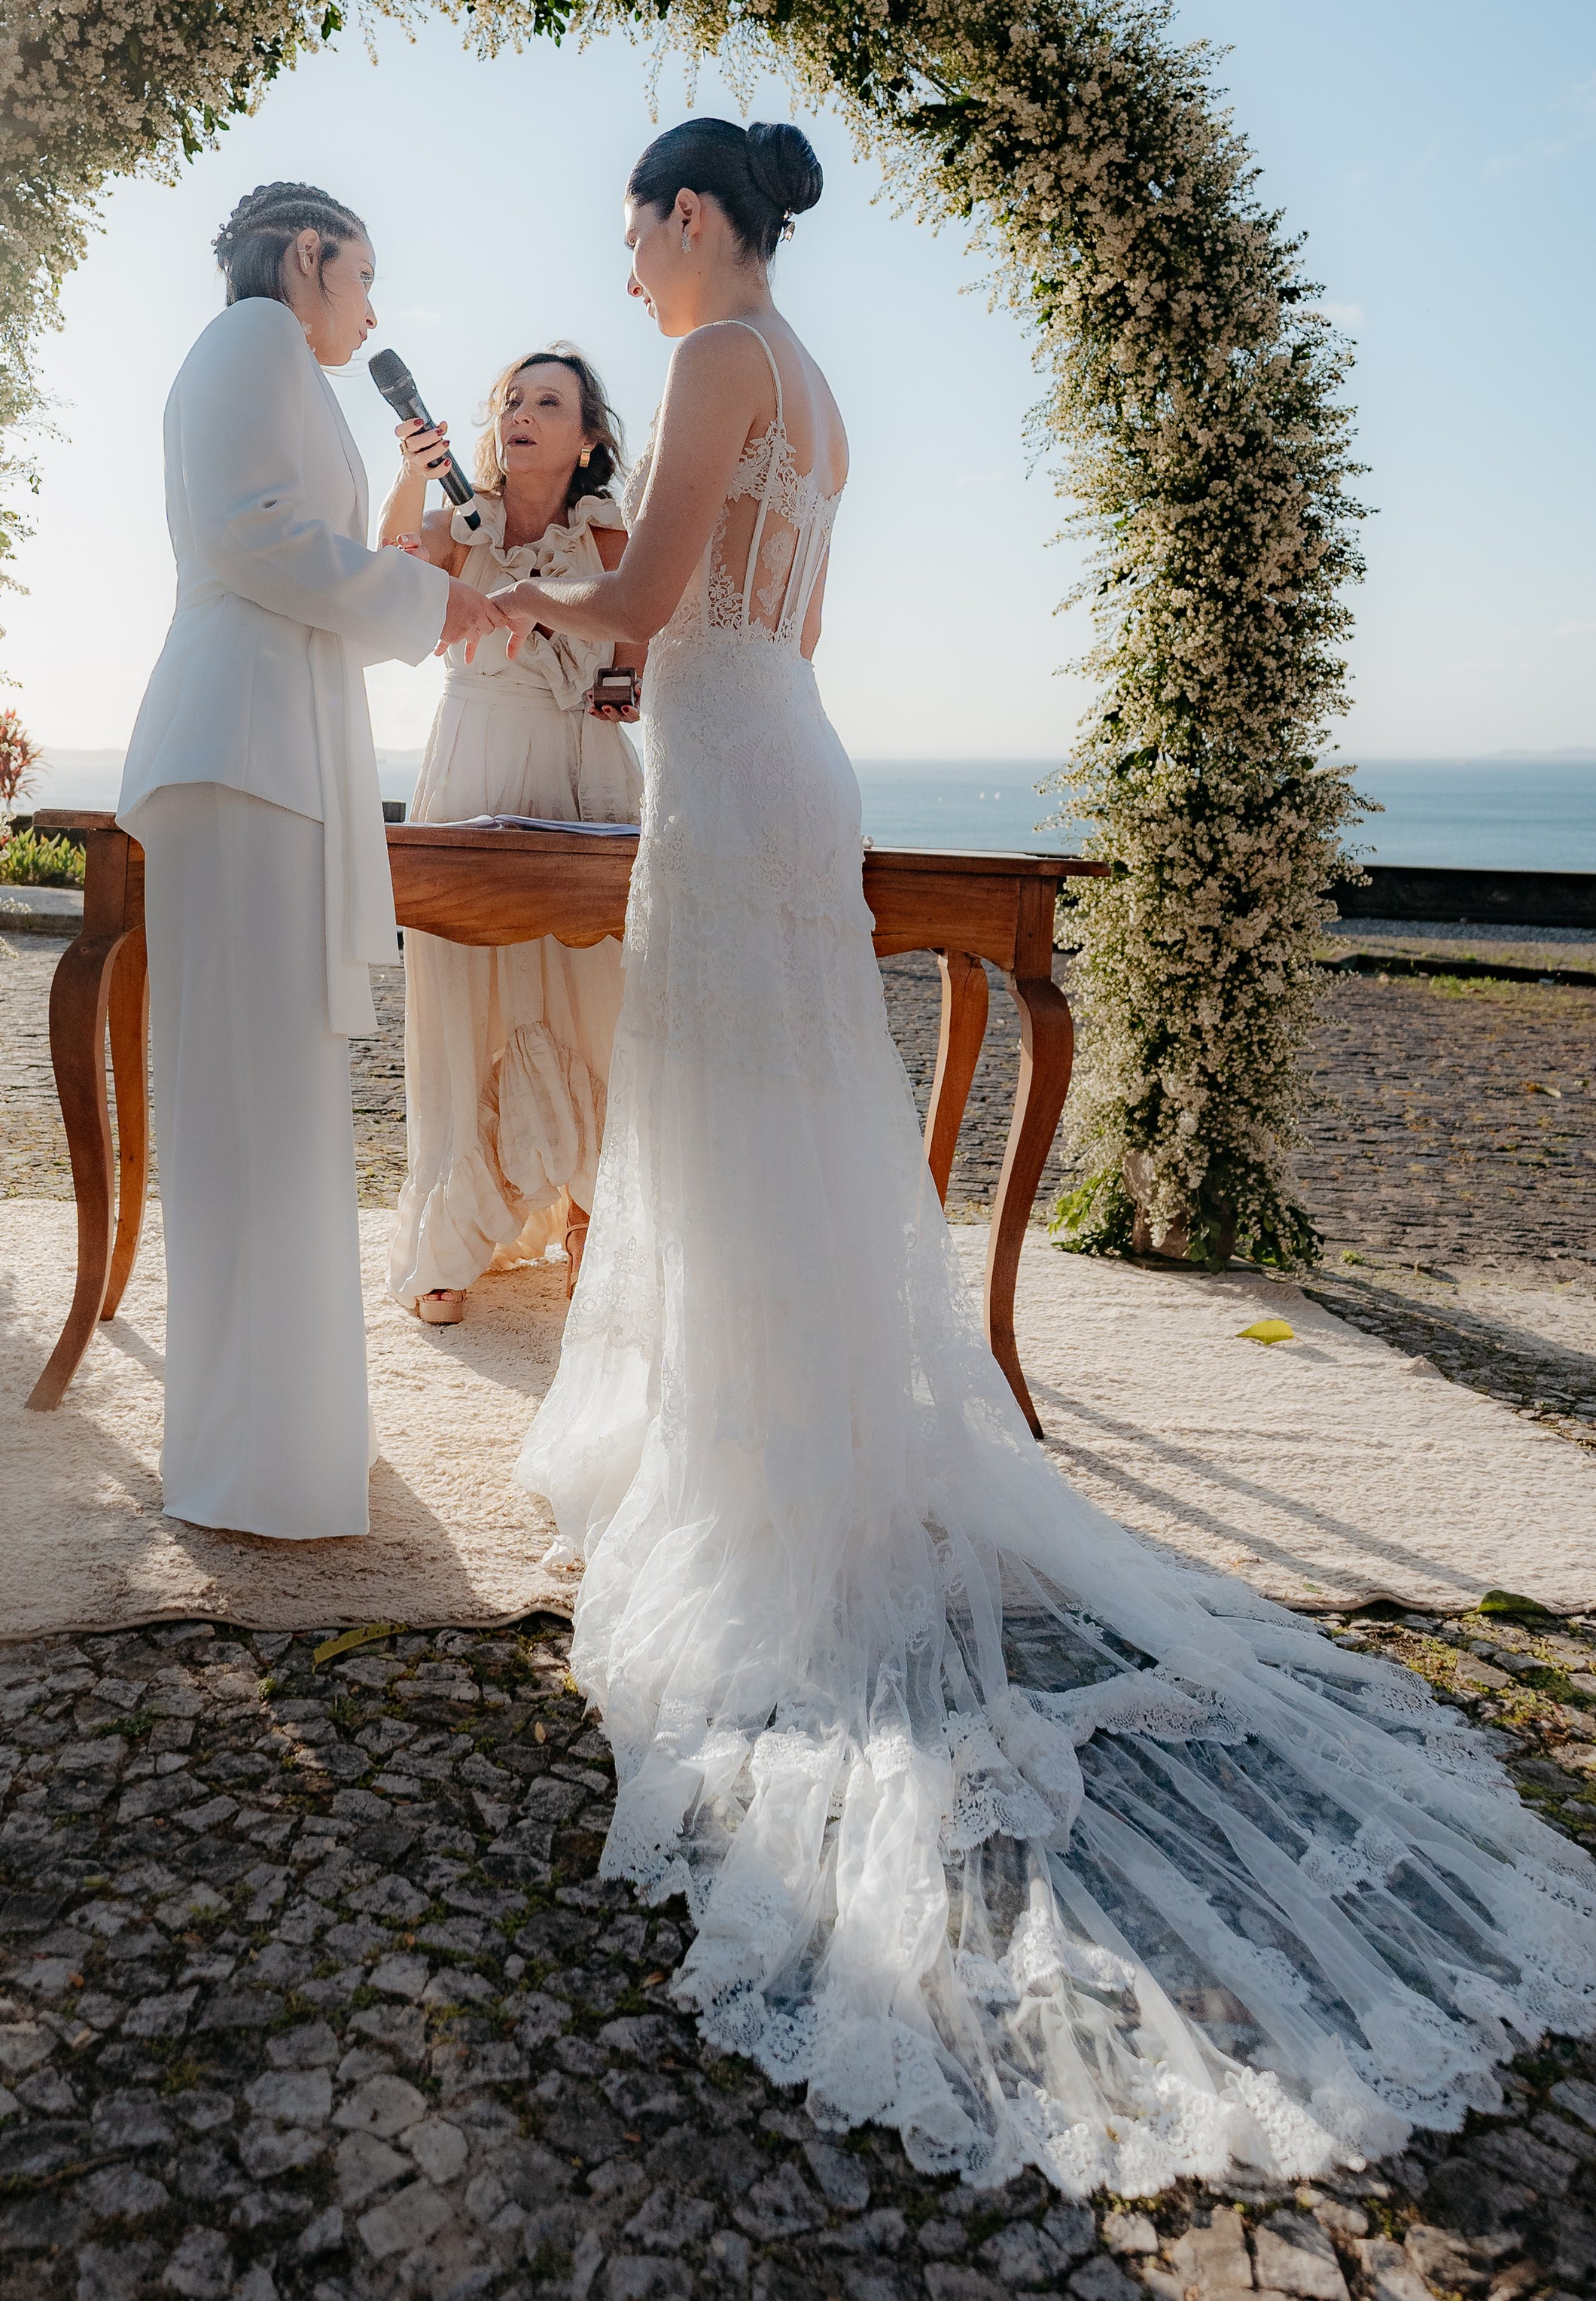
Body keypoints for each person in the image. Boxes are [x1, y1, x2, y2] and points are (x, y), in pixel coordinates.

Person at [487, 117, 1596, 2192]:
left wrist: (516, 580)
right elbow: (755, 627)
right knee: (788, 1123)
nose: (624, 267)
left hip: (723, 774)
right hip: (775, 753)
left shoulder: (724, 358)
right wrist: (628, 636)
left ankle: (746, 1482)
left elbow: (643, 590)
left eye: (632, 228)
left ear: (691, 219)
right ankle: (781, 1434)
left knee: (736, 1129)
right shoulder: (813, 390)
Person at [117, 181, 504, 1541]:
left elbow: (317, 552)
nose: (375, 309)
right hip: (242, 750)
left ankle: (289, 1438)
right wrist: (428, 597)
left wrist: (422, 563)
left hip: (276, 750)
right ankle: (249, 1464)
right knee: (245, 1107)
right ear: (309, 254)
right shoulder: (249, 345)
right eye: (366, 277)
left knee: (275, 1104)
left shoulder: (280, 363)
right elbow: (253, 541)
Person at [378, 346, 644, 1324]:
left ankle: (593, 1217)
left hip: (584, 778)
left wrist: (620, 678)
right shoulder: (463, 524)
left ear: (588, 439)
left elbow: (638, 645)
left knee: (597, 995)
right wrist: (411, 474)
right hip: (473, 768)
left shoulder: (609, 535)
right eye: (511, 401)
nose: (523, 415)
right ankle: (452, 1237)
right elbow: (385, 575)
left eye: (549, 402)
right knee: (462, 994)